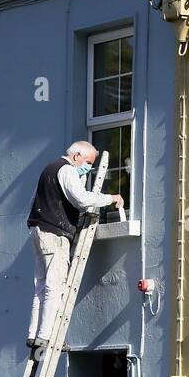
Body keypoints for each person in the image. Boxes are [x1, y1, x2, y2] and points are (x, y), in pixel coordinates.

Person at [25, 141, 124, 351]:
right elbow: (80, 198)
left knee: (41, 285)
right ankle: (47, 337)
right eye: (88, 162)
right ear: (77, 155)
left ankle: (34, 334)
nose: (88, 167)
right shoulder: (66, 170)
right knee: (56, 284)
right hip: (54, 233)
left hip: (38, 230)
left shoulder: (48, 169)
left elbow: (34, 201)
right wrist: (110, 198)